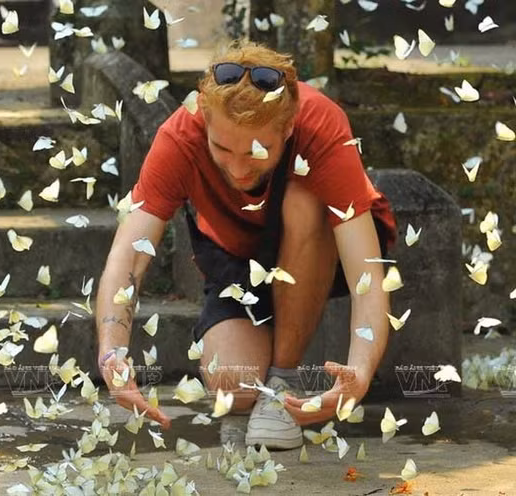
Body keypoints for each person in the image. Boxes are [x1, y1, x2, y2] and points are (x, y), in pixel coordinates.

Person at [95, 40, 397, 450]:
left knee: (303, 201)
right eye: (222, 148)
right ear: (204, 117)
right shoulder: (180, 134)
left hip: (320, 242)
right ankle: (263, 366)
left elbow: (367, 272)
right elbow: (129, 252)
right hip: (236, 257)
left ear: (287, 129)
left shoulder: (320, 123)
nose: (238, 169)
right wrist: (112, 354)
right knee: (232, 385)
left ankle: (283, 378)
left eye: (257, 151)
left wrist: (359, 373)